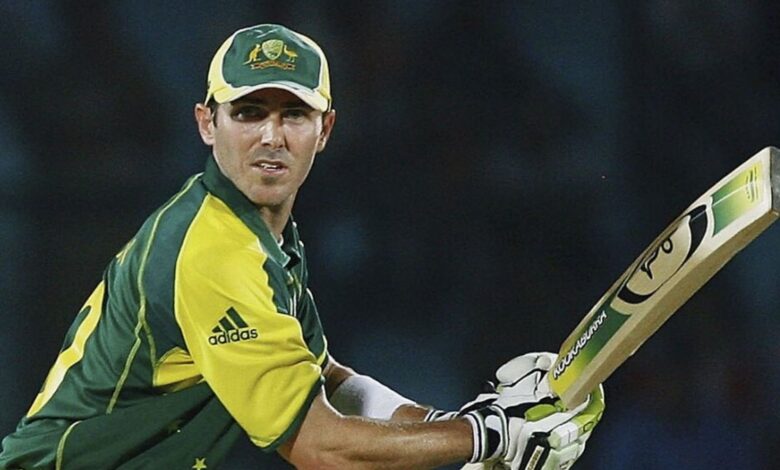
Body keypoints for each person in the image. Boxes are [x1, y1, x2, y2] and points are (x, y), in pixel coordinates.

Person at [0, 24, 604, 469]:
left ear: (325, 130)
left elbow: (329, 381)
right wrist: (487, 437)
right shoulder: (213, 251)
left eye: (294, 114)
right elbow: (319, 448)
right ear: (207, 124)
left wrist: (459, 424)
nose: (271, 136)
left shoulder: (258, 234)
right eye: (248, 112)